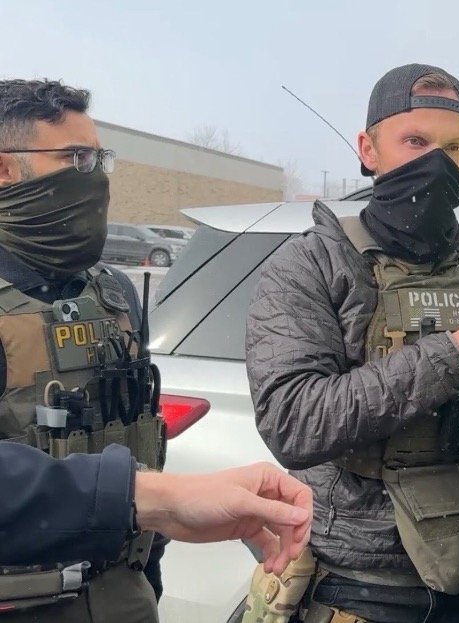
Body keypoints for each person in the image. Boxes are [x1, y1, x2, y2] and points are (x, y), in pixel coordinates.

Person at [246, 64, 459, 623]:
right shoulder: (312, 264)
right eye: (415, 141)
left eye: (454, 147)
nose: (435, 162)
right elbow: (294, 421)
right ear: (368, 148)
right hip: (358, 587)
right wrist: (455, 355)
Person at [0, 78, 171, 619]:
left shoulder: (114, 293)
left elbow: (141, 431)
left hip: (123, 590)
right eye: (74, 158)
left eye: (98, 159)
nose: (93, 177)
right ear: (5, 170)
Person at [0, 441, 312, 620]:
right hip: (30, 597)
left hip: (122, 581)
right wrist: (160, 498)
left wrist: (157, 515)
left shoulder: (126, 322)